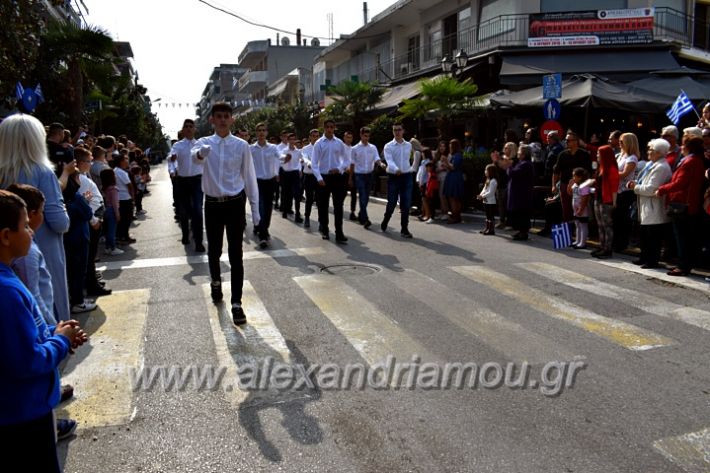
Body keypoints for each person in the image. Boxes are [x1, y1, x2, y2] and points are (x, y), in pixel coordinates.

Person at [0, 189, 87, 472]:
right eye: (25, 225)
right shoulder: (6, 292)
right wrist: (61, 341)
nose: (31, 232)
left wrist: (56, 331)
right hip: (24, 413)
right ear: (5, 236)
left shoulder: (8, 275)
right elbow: (29, 360)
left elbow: (23, 333)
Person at [191, 102, 260, 325]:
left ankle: (237, 303)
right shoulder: (203, 143)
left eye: (226, 116)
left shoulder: (241, 145)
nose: (222, 120)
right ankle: (215, 281)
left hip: (235, 203)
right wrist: (201, 154)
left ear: (232, 119)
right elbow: (195, 157)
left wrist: (256, 210)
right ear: (211, 119)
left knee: (236, 253)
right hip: (212, 204)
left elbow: (249, 176)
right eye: (218, 116)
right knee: (214, 250)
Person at [0, 114, 71, 322]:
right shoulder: (42, 172)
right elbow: (60, 222)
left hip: (6, 255)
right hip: (42, 252)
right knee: (48, 310)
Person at [657, 136, 706, 277]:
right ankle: (684, 264)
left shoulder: (689, 161)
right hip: (689, 203)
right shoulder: (695, 160)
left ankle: (683, 266)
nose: (681, 147)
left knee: (682, 237)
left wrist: (662, 189)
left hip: (683, 204)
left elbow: (680, 183)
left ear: (688, 147)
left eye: (683, 144)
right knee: (686, 237)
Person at [628, 139, 672, 268]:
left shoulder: (662, 167)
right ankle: (644, 257)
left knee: (653, 237)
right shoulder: (650, 164)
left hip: (654, 206)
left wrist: (635, 188)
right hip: (645, 205)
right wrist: (634, 184)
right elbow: (640, 180)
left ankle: (652, 260)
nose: (648, 152)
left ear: (659, 153)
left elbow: (651, 189)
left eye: (651, 150)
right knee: (645, 235)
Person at [311, 119, 350, 243]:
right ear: (324, 128)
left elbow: (346, 160)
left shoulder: (339, 143)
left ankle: (339, 233)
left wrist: (339, 169)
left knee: (338, 206)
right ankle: (325, 230)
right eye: (327, 127)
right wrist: (319, 178)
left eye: (332, 127)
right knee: (323, 206)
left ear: (334, 128)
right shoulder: (319, 143)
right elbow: (313, 163)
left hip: (337, 178)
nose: (329, 129)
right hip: (323, 178)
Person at [170, 119, 204, 252]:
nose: (189, 128)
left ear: (195, 129)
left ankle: (199, 241)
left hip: (197, 180)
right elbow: (172, 157)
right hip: (182, 180)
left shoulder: (200, 144)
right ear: (183, 130)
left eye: (191, 126)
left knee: (197, 210)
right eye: (186, 126)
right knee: (184, 211)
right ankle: (185, 233)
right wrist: (172, 168)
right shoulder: (178, 145)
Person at [381, 123, 417, 238]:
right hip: (393, 177)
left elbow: (418, 153)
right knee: (391, 202)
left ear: (403, 131)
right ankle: (386, 219)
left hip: (406, 176)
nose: (397, 132)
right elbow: (389, 160)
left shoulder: (408, 145)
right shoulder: (388, 146)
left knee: (406, 203)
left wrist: (413, 168)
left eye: (399, 130)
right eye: (395, 130)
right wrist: (396, 169)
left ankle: (404, 228)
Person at [250, 123, 281, 248]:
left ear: (267, 132)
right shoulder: (251, 148)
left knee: (268, 208)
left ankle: (264, 228)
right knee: (260, 206)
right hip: (257, 182)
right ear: (256, 133)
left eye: (263, 130)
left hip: (270, 181)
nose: (261, 133)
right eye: (259, 130)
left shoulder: (273, 148)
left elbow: (280, 157)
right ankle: (262, 235)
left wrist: (286, 158)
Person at [553, 131, 592, 222]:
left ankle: (578, 230)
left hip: (580, 187)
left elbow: (589, 171)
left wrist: (579, 182)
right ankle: (568, 231)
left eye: (569, 140)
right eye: (566, 140)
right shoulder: (562, 155)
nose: (566, 142)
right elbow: (556, 171)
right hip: (564, 184)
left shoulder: (584, 154)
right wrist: (553, 185)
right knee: (566, 210)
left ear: (576, 141)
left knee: (579, 210)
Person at [613, 132, 640, 252]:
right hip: (617, 190)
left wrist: (610, 174)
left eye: (621, 141)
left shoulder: (632, 158)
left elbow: (624, 174)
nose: (619, 144)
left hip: (625, 191)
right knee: (616, 218)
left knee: (622, 218)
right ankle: (615, 242)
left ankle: (621, 243)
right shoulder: (620, 156)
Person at [350, 126, 382, 229]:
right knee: (363, 195)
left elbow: (377, 158)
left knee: (366, 197)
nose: (366, 138)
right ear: (361, 135)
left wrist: (381, 164)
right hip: (359, 175)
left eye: (368, 136)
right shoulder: (354, 148)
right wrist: (350, 177)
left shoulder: (373, 147)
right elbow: (352, 164)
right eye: (365, 136)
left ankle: (361, 214)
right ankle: (365, 219)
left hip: (369, 174)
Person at [591, 146, 620, 259]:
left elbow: (614, 187)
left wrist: (614, 202)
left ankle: (607, 249)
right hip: (598, 198)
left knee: (607, 226)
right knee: (600, 225)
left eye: (599, 153)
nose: (597, 155)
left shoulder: (611, 168)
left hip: (606, 200)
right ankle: (602, 246)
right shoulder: (601, 167)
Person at [507, 143, 536, 241]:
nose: (518, 154)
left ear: (523, 154)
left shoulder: (525, 164)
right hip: (520, 193)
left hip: (522, 194)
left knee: (522, 213)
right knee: (520, 213)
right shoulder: (522, 163)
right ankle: (520, 231)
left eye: (519, 152)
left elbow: (513, 174)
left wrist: (509, 166)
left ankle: (523, 232)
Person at [567, 168, 594, 249]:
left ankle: (582, 243)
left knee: (583, 225)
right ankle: (577, 241)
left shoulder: (584, 186)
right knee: (577, 225)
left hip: (582, 209)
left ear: (580, 177)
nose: (573, 178)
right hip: (575, 208)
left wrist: (581, 209)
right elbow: (570, 193)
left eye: (574, 176)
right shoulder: (575, 185)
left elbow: (585, 198)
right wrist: (569, 184)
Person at [280, 133, 303, 223]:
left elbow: (300, 161)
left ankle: (297, 214)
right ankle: (285, 211)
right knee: (286, 193)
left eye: (294, 139)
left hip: (295, 174)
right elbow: (280, 162)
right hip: (286, 174)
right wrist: (285, 160)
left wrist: (300, 170)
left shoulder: (298, 151)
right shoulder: (284, 151)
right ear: (288, 140)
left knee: (297, 195)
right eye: (291, 139)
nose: (292, 141)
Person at [300, 129, 320, 229]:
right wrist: (310, 164)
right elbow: (305, 158)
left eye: (317, 136)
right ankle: (307, 217)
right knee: (309, 199)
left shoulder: (322, 147)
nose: (315, 138)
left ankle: (322, 222)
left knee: (321, 199)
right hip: (309, 176)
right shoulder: (305, 149)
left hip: (320, 176)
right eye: (313, 136)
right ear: (310, 137)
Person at [100, 169, 122, 256]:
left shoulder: (105, 188)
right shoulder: (114, 189)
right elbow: (115, 203)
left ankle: (107, 247)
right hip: (112, 210)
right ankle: (113, 248)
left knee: (108, 230)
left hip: (106, 210)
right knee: (112, 230)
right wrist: (117, 214)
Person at [443, 138, 465, 224]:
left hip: (455, 177)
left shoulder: (458, 155)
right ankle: (456, 216)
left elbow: (454, 167)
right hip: (453, 176)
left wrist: (446, 162)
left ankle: (456, 216)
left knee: (453, 197)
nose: (449, 147)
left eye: (451, 145)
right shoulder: (455, 155)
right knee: (454, 197)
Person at [477, 164, 498, 235]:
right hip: (486, 201)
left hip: (491, 202)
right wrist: (481, 194)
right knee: (487, 215)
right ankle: (487, 228)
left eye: (486, 170)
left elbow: (491, 193)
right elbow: (484, 189)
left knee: (491, 215)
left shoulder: (493, 181)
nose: (485, 171)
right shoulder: (488, 180)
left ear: (491, 172)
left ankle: (491, 230)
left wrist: (482, 196)